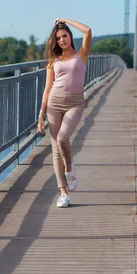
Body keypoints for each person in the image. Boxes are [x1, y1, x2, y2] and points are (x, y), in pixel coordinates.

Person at [38, 17, 92, 208]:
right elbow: (47, 88)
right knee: (55, 150)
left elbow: (87, 30)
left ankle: (69, 167)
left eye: (65, 35)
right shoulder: (53, 60)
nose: (62, 40)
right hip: (54, 102)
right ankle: (64, 193)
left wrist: (65, 20)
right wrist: (41, 114)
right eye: (59, 37)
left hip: (75, 103)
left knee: (62, 138)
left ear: (70, 36)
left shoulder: (82, 54)